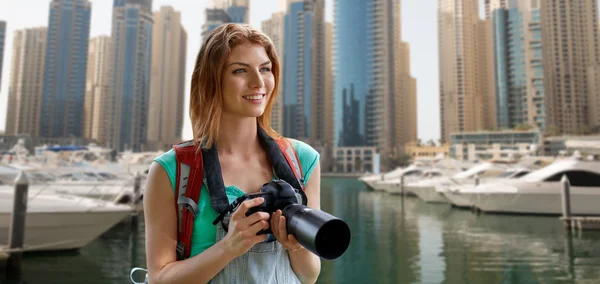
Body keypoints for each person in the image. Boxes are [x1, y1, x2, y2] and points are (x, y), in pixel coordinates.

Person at [143, 23, 322, 284]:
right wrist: (229, 247)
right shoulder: (172, 170)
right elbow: (159, 278)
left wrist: (295, 245)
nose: (258, 83)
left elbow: (309, 275)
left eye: (265, 69)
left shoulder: (302, 160)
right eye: (240, 71)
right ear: (211, 80)